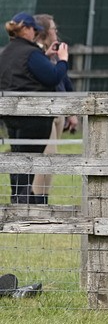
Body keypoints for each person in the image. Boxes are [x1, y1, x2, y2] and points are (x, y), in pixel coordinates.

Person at [0, 12, 68, 203]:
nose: (35, 34)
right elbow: (53, 77)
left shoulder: (8, 51)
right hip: (33, 115)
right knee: (31, 157)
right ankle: (26, 200)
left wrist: (44, 57)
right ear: (27, 29)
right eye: (34, 30)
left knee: (18, 154)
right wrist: (62, 60)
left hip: (11, 115)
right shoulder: (30, 53)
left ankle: (18, 197)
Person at [31, 14, 77, 203]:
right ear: (44, 32)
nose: (56, 32)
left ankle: (42, 198)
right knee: (47, 156)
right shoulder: (35, 56)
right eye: (53, 29)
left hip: (58, 110)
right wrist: (63, 61)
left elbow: (63, 81)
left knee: (52, 157)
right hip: (45, 111)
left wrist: (72, 112)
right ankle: (37, 201)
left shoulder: (48, 55)